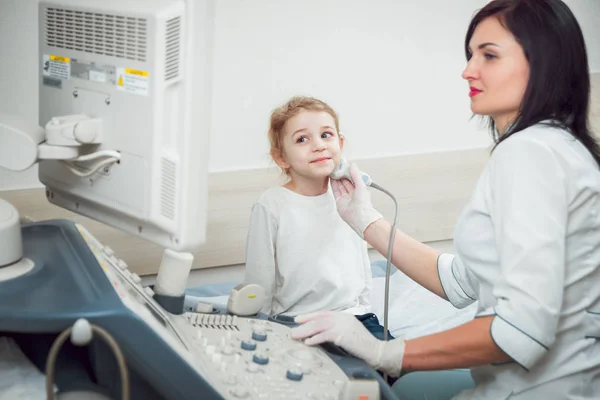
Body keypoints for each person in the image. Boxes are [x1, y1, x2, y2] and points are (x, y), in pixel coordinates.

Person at [290, 0, 600, 399]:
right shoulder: (560, 147)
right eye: (470, 55)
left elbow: (521, 330)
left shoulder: (530, 153)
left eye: (488, 55)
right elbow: (463, 281)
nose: (468, 70)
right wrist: (364, 218)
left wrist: (385, 351)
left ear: (544, 63)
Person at [242, 96, 391, 340]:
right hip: (296, 322)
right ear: (281, 158)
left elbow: (361, 264)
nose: (319, 145)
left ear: (340, 143)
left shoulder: (350, 195)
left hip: (354, 317)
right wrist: (261, 330)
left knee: (395, 368)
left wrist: (362, 308)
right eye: (302, 139)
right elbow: (260, 278)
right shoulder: (271, 205)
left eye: (326, 135)